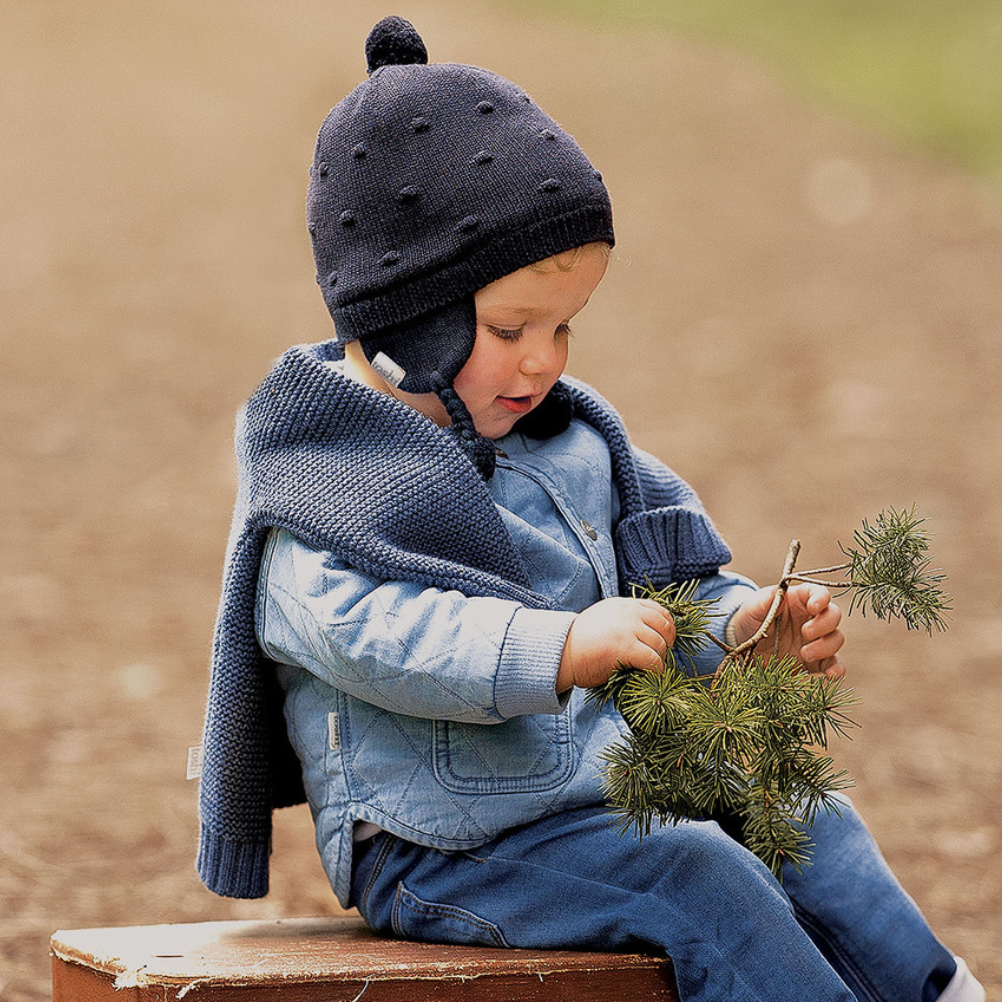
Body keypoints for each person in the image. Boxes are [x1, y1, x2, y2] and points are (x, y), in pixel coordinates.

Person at [196, 17, 984, 1002]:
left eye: (564, 326)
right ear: (405, 321)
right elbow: (372, 636)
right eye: (512, 327)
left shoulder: (570, 443)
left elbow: (670, 590)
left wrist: (741, 625)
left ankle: (936, 990)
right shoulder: (322, 485)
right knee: (695, 876)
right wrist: (556, 648)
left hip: (597, 790)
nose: (546, 359)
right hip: (446, 846)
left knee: (786, 797)